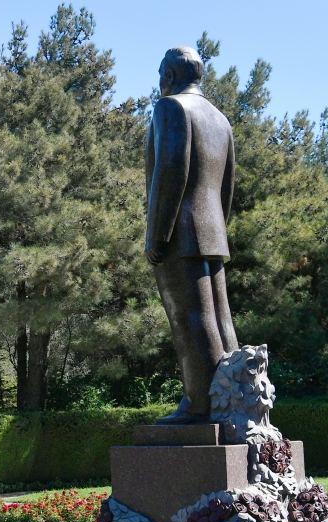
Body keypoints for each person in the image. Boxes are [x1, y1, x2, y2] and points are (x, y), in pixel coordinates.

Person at [145, 46, 239, 424]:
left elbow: (170, 170)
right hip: (212, 231)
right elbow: (227, 188)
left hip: (180, 232)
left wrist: (157, 235)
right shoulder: (220, 120)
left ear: (169, 74)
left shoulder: (171, 108)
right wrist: (216, 228)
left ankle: (200, 405)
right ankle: (234, 400)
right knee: (220, 320)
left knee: (190, 319)